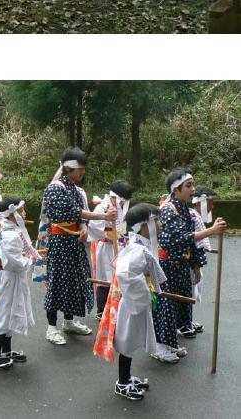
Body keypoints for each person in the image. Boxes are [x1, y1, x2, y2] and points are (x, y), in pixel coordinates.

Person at [41, 146, 117, 345]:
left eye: (84, 168)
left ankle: (68, 321)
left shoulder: (74, 188)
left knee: (74, 282)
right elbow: (71, 211)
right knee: (57, 283)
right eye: (80, 169)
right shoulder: (55, 188)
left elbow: (80, 214)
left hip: (74, 242)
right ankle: (51, 327)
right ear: (68, 168)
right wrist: (102, 216)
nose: (83, 172)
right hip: (59, 244)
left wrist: (83, 226)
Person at [151, 168, 227, 362]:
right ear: (175, 189)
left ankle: (170, 344)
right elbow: (175, 240)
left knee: (179, 304)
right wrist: (210, 231)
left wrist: (195, 266)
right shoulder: (168, 209)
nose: (193, 189)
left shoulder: (186, 209)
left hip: (182, 265)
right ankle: (159, 347)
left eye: (193, 184)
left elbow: (191, 242)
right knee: (167, 304)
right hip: (167, 265)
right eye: (188, 185)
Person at [99, 203, 166, 402]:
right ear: (143, 226)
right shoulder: (137, 249)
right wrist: (144, 295)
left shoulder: (139, 245)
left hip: (134, 302)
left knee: (132, 340)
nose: (160, 225)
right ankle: (122, 383)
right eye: (156, 221)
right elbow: (125, 273)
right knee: (127, 342)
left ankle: (127, 377)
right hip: (132, 304)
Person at [0, 197, 36, 370]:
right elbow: (15, 263)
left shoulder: (4, 228)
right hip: (9, 277)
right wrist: (29, 259)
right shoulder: (10, 235)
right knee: (5, 312)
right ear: (12, 214)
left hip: (10, 277)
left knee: (12, 311)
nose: (25, 213)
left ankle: (6, 351)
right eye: (22, 210)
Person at [88, 180, 132, 319]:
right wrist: (108, 234)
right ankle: (101, 310)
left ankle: (117, 306)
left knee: (119, 276)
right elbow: (94, 227)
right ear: (114, 197)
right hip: (106, 247)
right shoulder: (102, 208)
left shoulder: (120, 207)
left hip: (119, 246)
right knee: (104, 278)